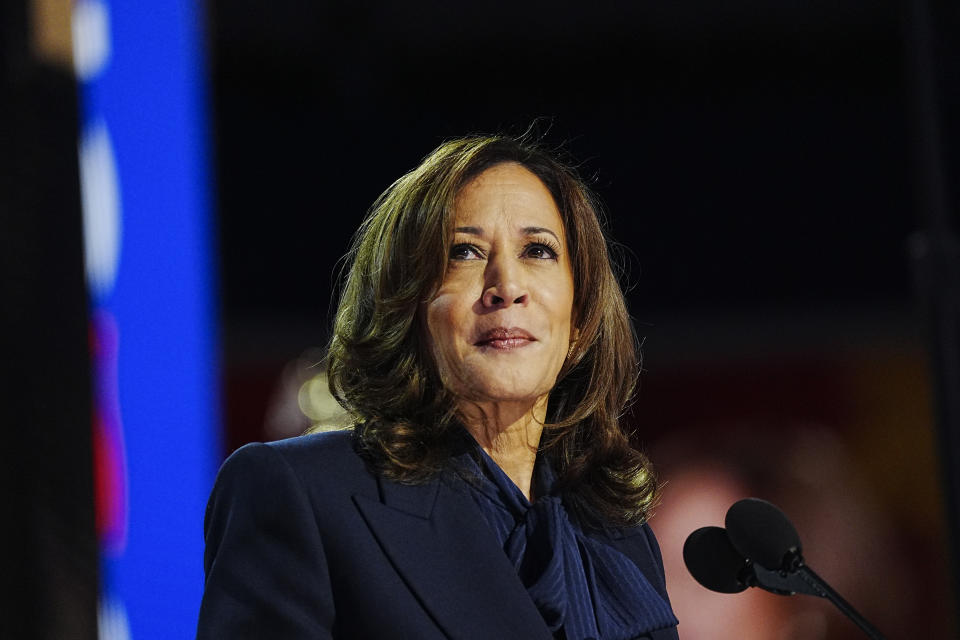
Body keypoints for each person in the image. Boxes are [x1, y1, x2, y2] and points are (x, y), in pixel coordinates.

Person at [196, 134, 679, 639]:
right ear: (405, 308)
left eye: (538, 250)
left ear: (580, 318)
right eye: (464, 253)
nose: (507, 286)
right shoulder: (300, 494)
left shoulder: (615, 535)